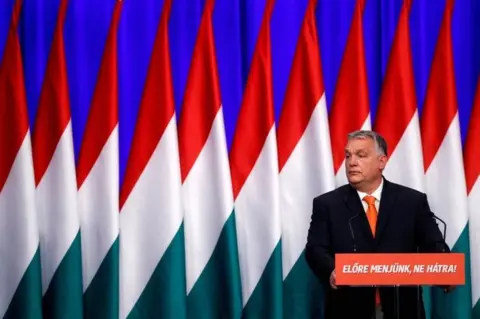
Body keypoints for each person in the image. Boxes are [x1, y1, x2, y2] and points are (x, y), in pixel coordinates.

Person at [305, 130, 453, 319]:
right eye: (348, 155)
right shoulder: (327, 204)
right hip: (348, 307)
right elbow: (315, 249)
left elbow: (434, 244)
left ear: (381, 162)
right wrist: (331, 270)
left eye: (361, 155)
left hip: (402, 307)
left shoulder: (411, 201)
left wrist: (445, 269)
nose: (351, 162)